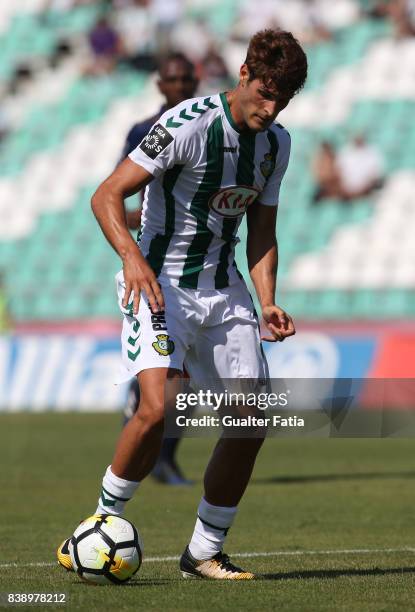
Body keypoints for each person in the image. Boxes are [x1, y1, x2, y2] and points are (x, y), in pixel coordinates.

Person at [58, 28, 307, 580]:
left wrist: (267, 301)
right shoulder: (188, 124)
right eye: (265, 92)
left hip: (225, 289)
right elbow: (106, 194)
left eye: (282, 99)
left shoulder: (277, 145)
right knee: (157, 408)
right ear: (243, 75)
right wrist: (131, 257)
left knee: (250, 418)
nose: (271, 108)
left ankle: (203, 551)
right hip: (160, 284)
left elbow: (262, 229)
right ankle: (101, 521)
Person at [121, 53, 198, 485]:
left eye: (188, 78)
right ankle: (136, 454)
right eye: (174, 79)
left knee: (183, 378)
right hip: (155, 262)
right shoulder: (142, 131)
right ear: (159, 85)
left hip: (196, 267)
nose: (181, 85)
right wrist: (136, 244)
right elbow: (119, 189)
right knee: (154, 373)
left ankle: (166, 457)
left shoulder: (205, 124)